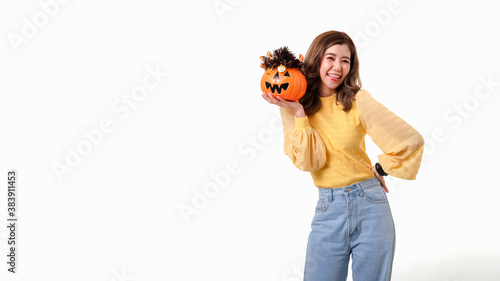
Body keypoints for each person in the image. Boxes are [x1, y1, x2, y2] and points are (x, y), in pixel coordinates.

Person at [261, 30, 424, 281]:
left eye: (345, 60)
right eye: (331, 58)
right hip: (329, 208)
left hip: (371, 205)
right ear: (316, 59)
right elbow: (308, 161)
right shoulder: (294, 105)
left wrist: (380, 169)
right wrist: (300, 114)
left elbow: (409, 140)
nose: (338, 67)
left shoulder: (358, 99)